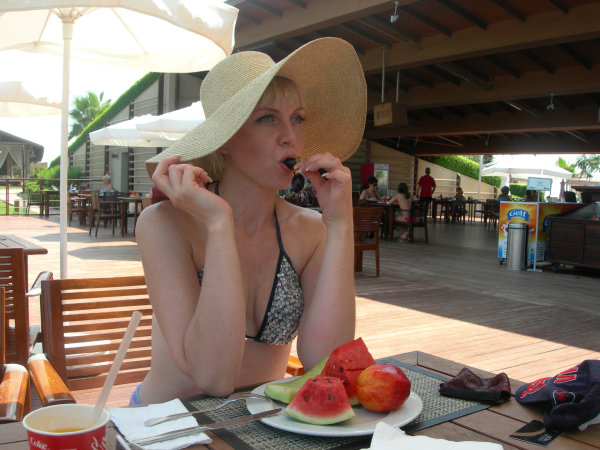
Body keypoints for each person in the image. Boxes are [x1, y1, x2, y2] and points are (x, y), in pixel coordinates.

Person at [133, 37, 366, 405]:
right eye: (267, 118)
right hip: (167, 424)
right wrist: (218, 222)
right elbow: (213, 377)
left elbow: (325, 360)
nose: (290, 136)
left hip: (262, 424)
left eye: (297, 118)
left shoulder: (311, 231)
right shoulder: (164, 224)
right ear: (225, 138)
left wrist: (339, 226)